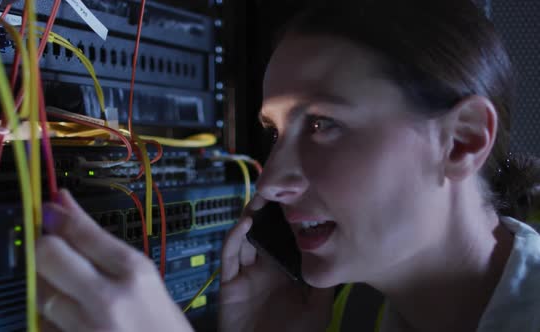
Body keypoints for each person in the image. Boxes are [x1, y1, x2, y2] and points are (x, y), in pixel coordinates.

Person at [36, 0, 540, 331]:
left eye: (323, 124)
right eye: (275, 132)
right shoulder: (354, 311)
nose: (272, 181)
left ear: (462, 141)